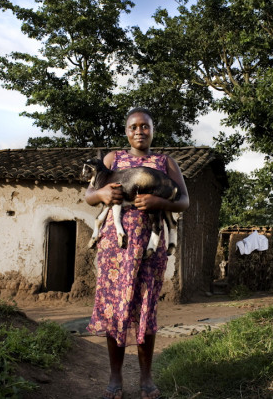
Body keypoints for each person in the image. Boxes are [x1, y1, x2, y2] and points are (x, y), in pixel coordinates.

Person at [85, 107, 189, 399]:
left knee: (146, 308)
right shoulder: (111, 160)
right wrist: (102, 195)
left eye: (145, 126)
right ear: (126, 131)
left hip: (149, 248)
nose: (139, 131)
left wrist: (160, 200)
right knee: (113, 308)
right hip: (114, 249)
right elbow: (89, 194)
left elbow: (184, 200)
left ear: (153, 130)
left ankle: (146, 380)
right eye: (134, 127)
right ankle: (115, 378)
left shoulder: (165, 163)